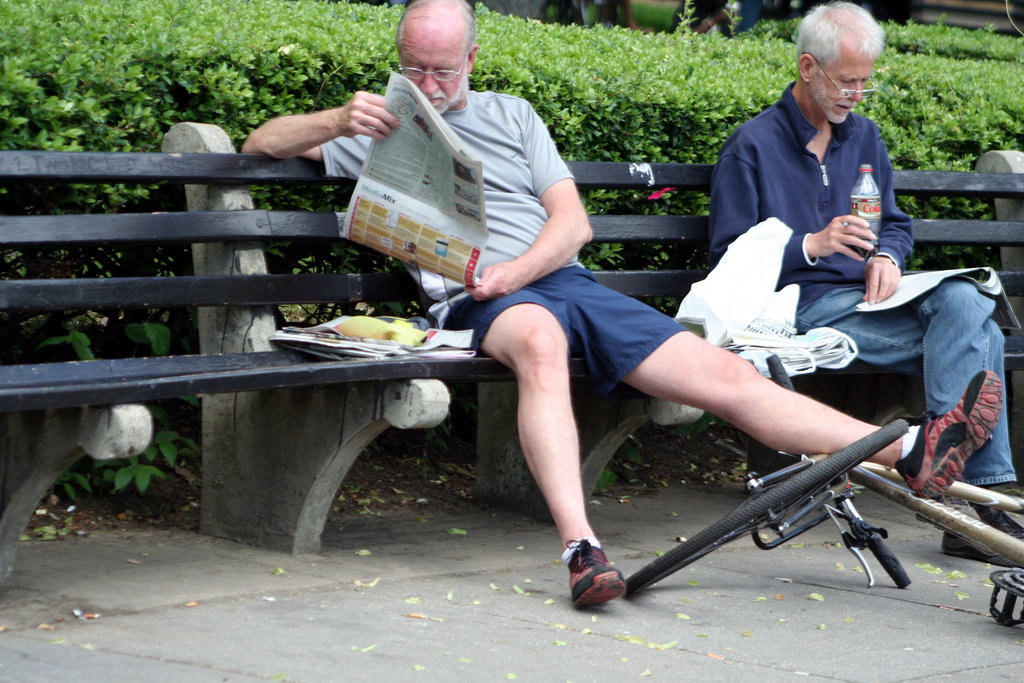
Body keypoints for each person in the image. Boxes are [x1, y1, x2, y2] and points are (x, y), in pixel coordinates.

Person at [243, 0, 1003, 607]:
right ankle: (582, 549)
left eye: (444, 69)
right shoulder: (379, 129)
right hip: (478, 303)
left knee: (727, 375)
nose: (431, 84)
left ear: (471, 59)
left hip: (558, 280)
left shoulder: (512, 117)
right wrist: (340, 121)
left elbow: (572, 222)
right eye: (415, 69)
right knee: (540, 345)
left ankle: (910, 451)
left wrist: (519, 268)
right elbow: (259, 143)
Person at [708, 1, 1023, 567]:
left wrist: (888, 256)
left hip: (873, 303)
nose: (857, 93)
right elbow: (726, 258)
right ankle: (979, 504)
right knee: (985, 332)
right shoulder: (751, 146)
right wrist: (811, 244)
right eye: (847, 81)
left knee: (966, 300)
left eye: (865, 83)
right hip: (803, 311)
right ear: (808, 68)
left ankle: (956, 494)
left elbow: (895, 224)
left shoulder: (865, 138)